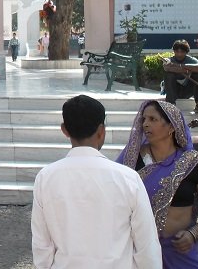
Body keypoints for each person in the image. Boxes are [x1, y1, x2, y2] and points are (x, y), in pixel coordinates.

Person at [31, 95, 161, 269]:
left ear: (65, 130)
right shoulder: (128, 178)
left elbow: (41, 245)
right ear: (102, 131)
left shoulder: (46, 178)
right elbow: (147, 246)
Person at [117, 100, 198, 268]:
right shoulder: (131, 160)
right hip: (138, 254)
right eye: (143, 119)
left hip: (180, 252)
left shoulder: (192, 163)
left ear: (171, 126)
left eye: (153, 119)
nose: (145, 124)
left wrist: (193, 234)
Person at [162, 39, 198, 116]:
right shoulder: (169, 60)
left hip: (187, 91)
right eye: (177, 52)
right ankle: (171, 105)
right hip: (173, 91)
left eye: (182, 52)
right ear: (174, 51)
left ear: (186, 52)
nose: (179, 54)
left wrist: (181, 66)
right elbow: (167, 68)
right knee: (169, 74)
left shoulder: (191, 60)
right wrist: (188, 70)